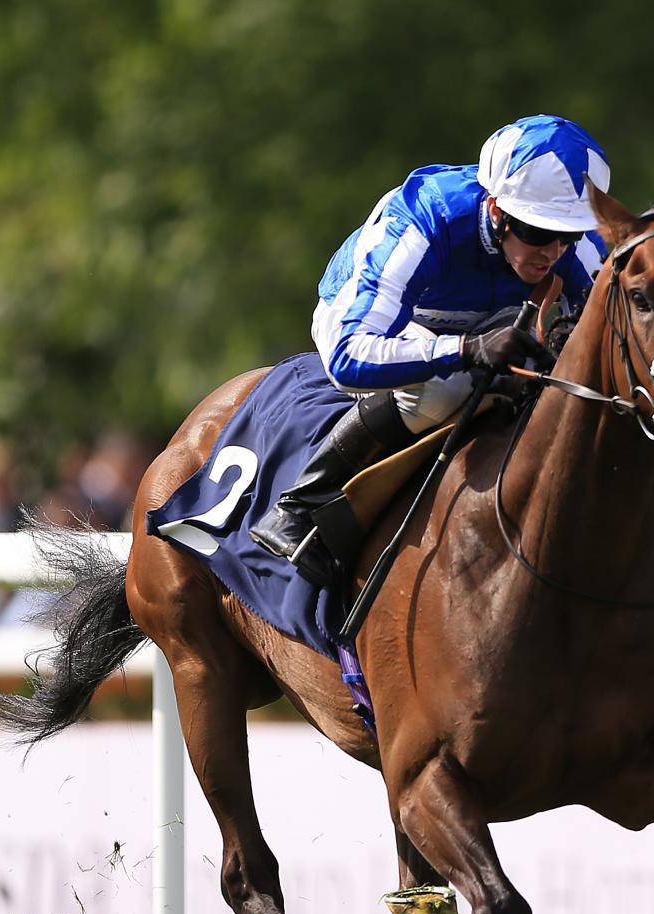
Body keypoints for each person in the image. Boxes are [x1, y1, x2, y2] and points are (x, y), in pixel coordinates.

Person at [250, 115, 610, 579]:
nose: (554, 251)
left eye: (571, 234)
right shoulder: (427, 216)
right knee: (442, 391)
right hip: (375, 324)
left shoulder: (565, 245)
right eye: (538, 233)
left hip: (484, 321)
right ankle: (301, 503)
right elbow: (347, 357)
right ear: (496, 210)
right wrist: (465, 350)